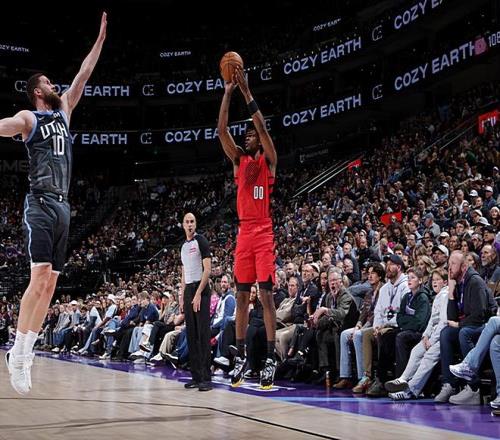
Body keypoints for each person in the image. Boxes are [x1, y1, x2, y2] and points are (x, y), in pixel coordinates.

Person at [1, 13, 107, 394]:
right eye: (47, 82)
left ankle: (24, 352)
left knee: (50, 287)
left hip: (64, 206)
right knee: (39, 276)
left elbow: (84, 72)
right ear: (37, 91)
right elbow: (5, 126)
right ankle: (18, 352)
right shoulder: (29, 118)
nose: (53, 84)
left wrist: (100, 39)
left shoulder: (64, 112)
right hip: (41, 203)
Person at [217, 65, 278, 389]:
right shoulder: (239, 162)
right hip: (244, 233)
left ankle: (270, 358)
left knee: (265, 296)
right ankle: (239, 356)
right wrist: (228, 93)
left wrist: (246, 90)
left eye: (251, 135)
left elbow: (263, 127)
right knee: (241, 297)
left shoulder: (268, 160)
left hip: (263, 231)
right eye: (247, 135)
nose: (247, 136)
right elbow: (221, 130)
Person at [179, 213, 212, 391]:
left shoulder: (201, 241)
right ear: (183, 225)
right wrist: (182, 295)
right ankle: (196, 376)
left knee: (202, 334)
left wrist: (198, 293)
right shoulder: (183, 246)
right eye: (187, 222)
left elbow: (208, 270)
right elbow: (184, 273)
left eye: (192, 221)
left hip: (201, 290)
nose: (190, 224)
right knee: (191, 335)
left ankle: (206, 378)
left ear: (195, 224)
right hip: (189, 290)